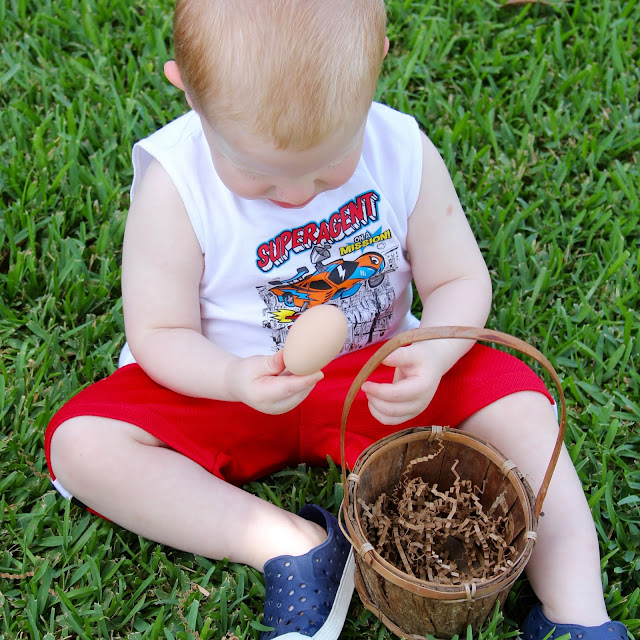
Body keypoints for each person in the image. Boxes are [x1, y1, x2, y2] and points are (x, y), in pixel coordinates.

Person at [45, 2, 628, 640]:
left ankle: (577, 609)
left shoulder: (401, 151)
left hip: (377, 379)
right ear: (187, 89)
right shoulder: (175, 185)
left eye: (329, 165)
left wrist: (432, 357)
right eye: (258, 174)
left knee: (519, 401)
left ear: (377, 66)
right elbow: (160, 333)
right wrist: (232, 378)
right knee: (82, 445)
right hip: (222, 389)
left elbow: (459, 280)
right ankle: (289, 543)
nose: (297, 195)